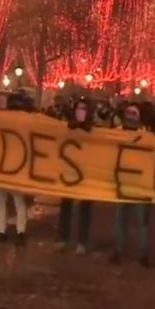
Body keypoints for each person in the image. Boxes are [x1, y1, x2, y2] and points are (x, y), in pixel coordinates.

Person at [111, 103, 152, 267]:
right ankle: (118, 251)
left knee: (142, 221)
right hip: (123, 182)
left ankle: (143, 255)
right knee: (120, 219)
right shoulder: (116, 132)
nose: (131, 116)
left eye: (134, 113)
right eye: (128, 113)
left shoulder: (147, 135)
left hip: (142, 185)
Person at [0, 92, 31, 247]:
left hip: (11, 167)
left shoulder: (14, 121)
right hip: (7, 166)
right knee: (11, 201)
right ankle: (14, 231)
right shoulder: (23, 122)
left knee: (11, 200)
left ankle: (10, 231)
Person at [55, 98, 94, 254]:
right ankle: (63, 239)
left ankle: (82, 242)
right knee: (65, 208)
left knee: (85, 211)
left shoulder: (94, 129)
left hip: (88, 175)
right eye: (78, 108)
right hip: (69, 174)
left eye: (84, 108)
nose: (81, 111)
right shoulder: (67, 127)